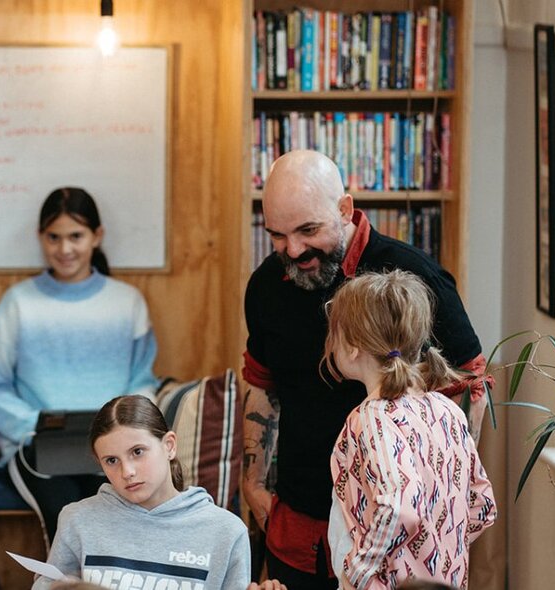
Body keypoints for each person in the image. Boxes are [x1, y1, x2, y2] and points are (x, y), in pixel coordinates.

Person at [241, 150, 492, 589]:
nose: (293, 249)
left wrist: (438, 512)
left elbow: (470, 386)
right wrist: (253, 482)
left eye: (308, 230)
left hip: (395, 554)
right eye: (278, 235)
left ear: (344, 209)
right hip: (297, 523)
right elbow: (262, 387)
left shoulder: (413, 276)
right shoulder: (265, 286)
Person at [0, 187, 158, 546]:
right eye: (54, 237)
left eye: (76, 236)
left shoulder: (127, 302)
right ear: (41, 238)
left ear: (97, 236)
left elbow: (143, 380)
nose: (65, 249)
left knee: (119, 521)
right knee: (66, 523)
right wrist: (35, 427)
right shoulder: (18, 303)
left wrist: (123, 434)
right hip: (37, 448)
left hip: (113, 447)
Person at [324, 270, 496, 589]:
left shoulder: (371, 420)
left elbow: (397, 505)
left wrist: (359, 572)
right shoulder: (448, 410)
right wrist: (441, 549)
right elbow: (482, 506)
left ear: (352, 348)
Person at [32, 395, 250, 590]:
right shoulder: (77, 519)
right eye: (111, 461)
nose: (127, 472)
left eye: (137, 452)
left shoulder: (227, 532)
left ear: (169, 446)